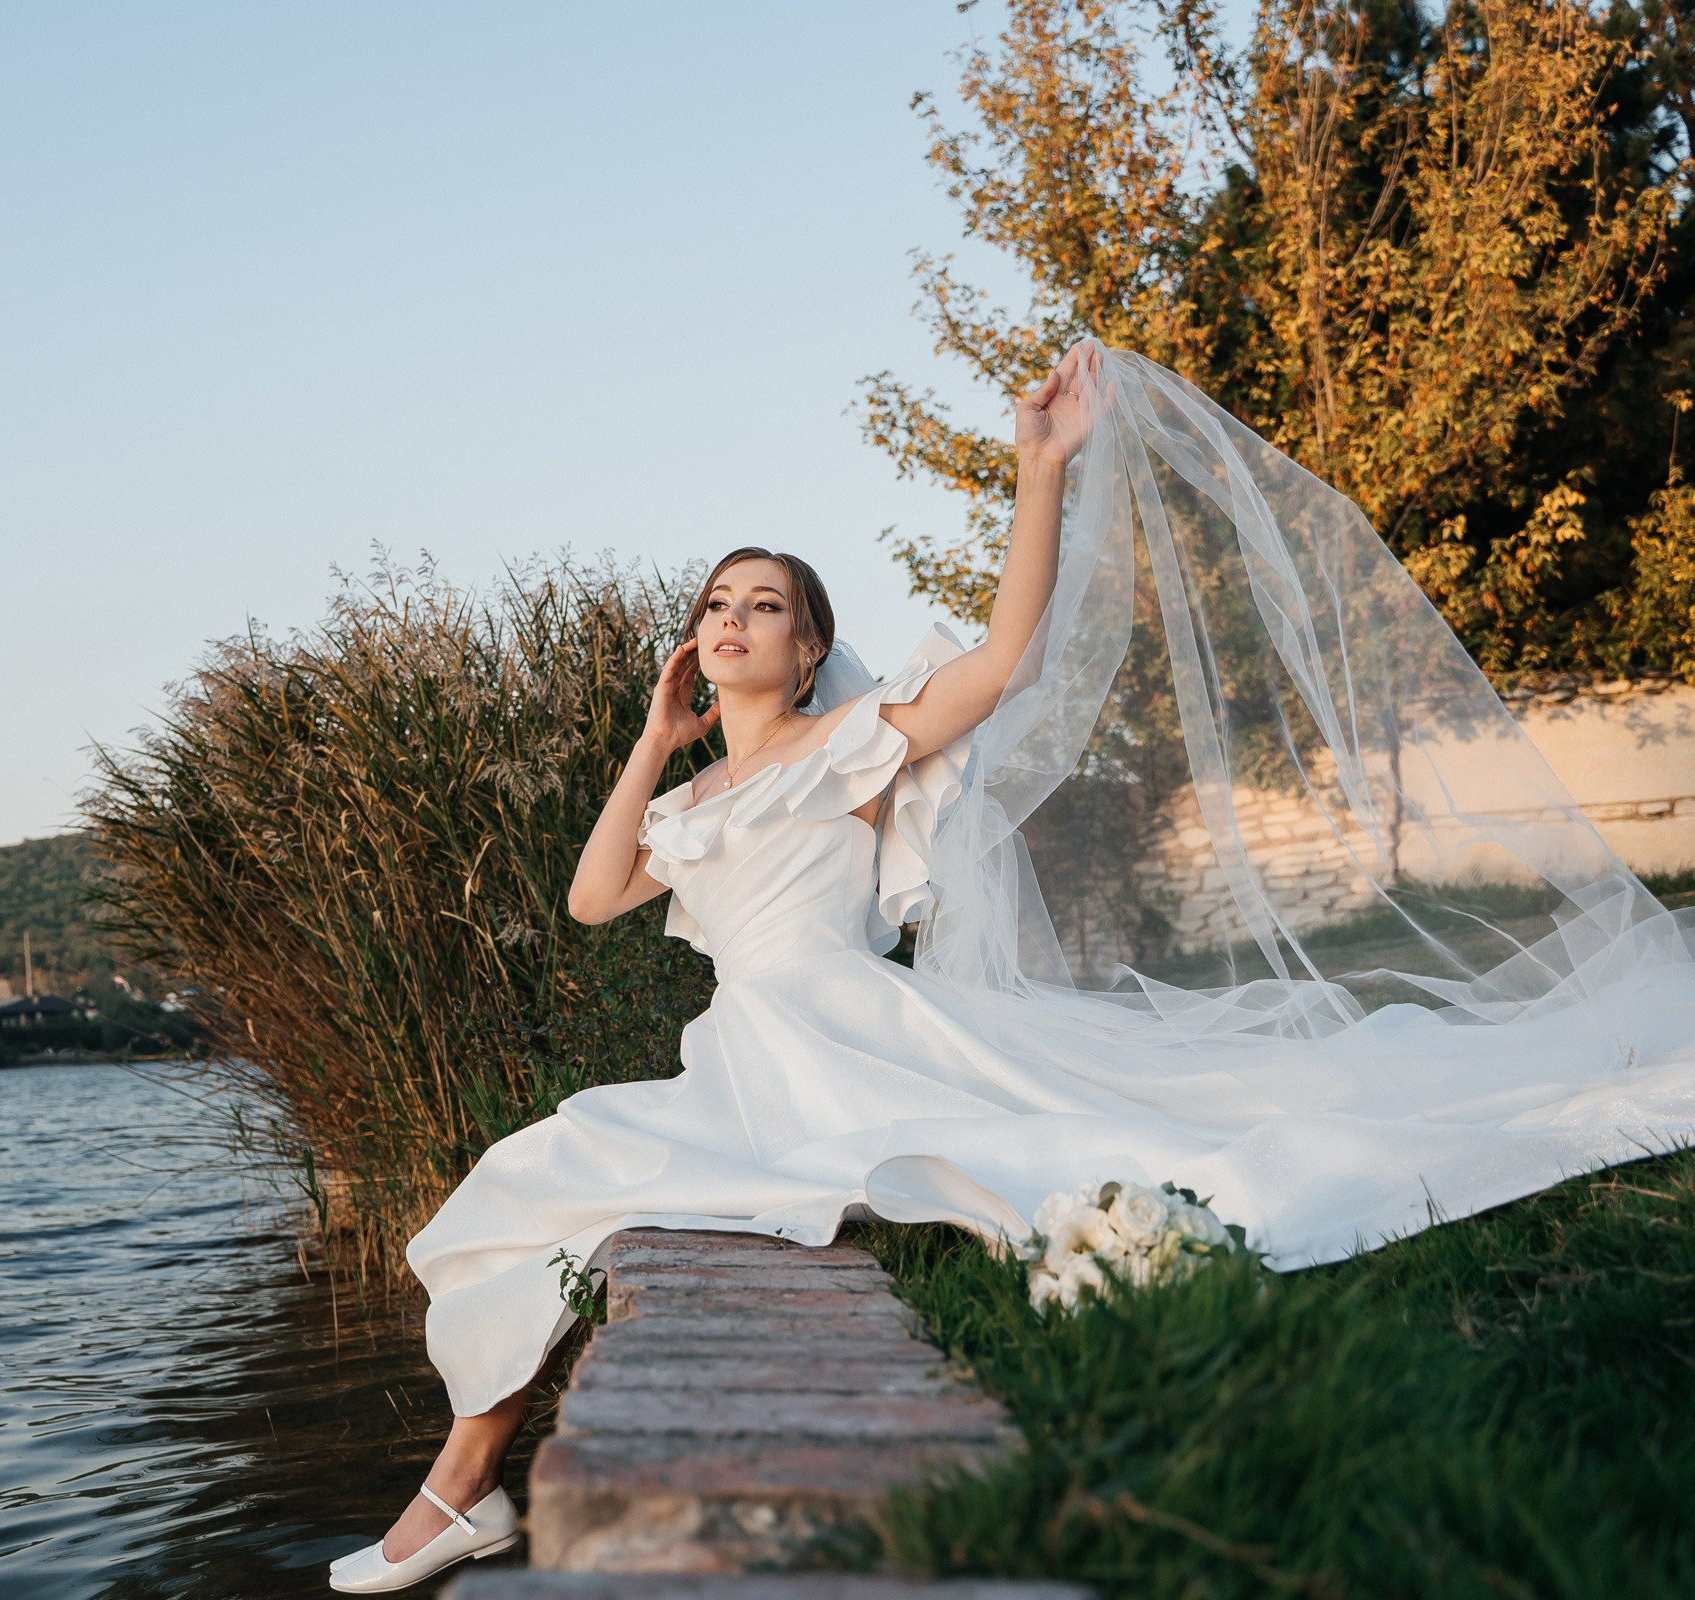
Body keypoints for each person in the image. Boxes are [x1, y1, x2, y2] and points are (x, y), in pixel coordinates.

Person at [325, 342, 1695, 1593]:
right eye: (716, 605)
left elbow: (1002, 661)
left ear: (810, 649)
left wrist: (1041, 467)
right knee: (531, 1175)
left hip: (844, 1029)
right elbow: (590, 898)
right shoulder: (685, 807)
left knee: (578, 1171)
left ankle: (457, 1499)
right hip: (747, 1047)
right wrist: (651, 737)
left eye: (767, 605)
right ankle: (464, 1497)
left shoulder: (852, 744)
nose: (733, 620)